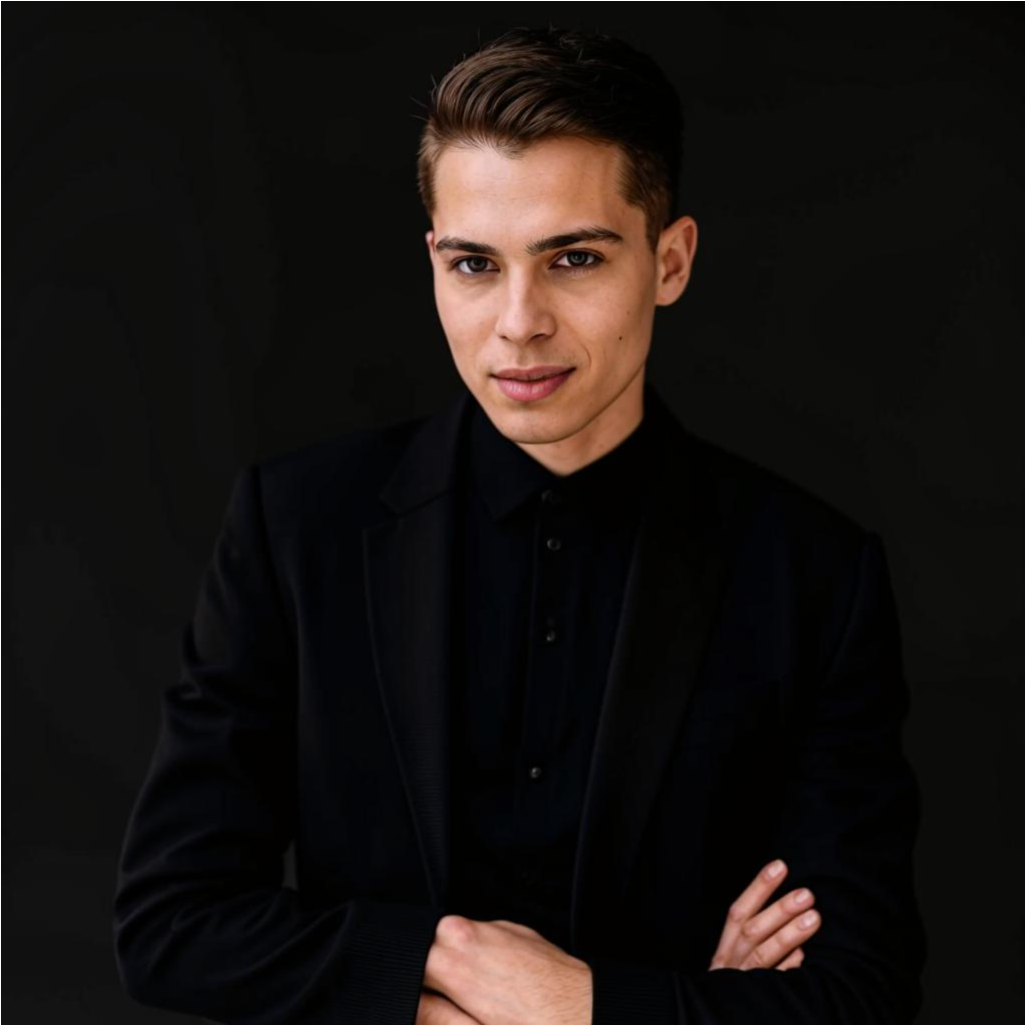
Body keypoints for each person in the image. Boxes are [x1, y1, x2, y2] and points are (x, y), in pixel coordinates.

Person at [113, 25, 927, 1025]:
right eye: (473, 264)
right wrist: (461, 973)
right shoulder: (295, 527)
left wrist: (583, 1004)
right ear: (432, 261)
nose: (517, 320)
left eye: (572, 257)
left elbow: (859, 995)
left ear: (669, 261)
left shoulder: (812, 573)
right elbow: (170, 922)